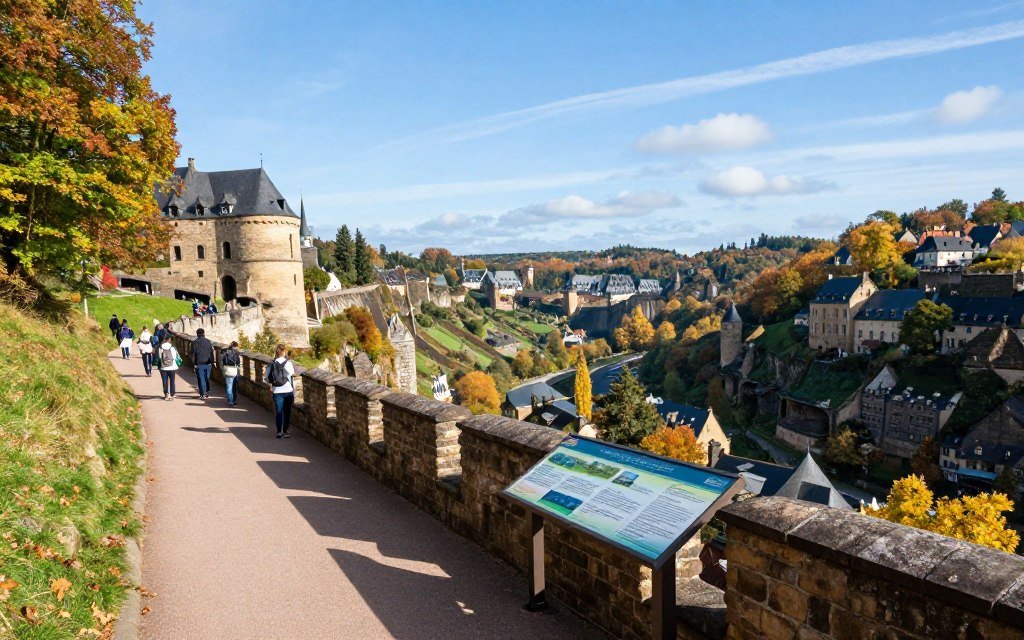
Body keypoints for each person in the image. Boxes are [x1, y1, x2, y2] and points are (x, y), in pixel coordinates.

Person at [264, 344, 295, 439]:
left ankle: (278, 432)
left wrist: (271, 386)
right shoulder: (288, 363)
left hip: (277, 390)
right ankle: (285, 431)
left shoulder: (272, 363)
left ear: (276, 352)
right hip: (288, 390)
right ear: (284, 352)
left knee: (279, 411)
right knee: (287, 411)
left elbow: (266, 377)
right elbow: (291, 373)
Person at [189, 328, 215, 400]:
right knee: (206, 378)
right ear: (204, 333)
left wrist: (194, 363)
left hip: (199, 364)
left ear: (197, 334)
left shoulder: (194, 343)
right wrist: (212, 362)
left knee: (201, 379)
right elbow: (211, 353)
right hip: (208, 363)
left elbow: (192, 355)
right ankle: (205, 392)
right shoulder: (209, 342)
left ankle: (203, 394)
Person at [157, 335, 180, 401]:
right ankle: (172, 395)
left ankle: (166, 394)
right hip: (172, 367)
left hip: (163, 367)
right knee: (172, 381)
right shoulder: (172, 347)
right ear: (169, 340)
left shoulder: (160, 347)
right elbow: (175, 357)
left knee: (164, 381)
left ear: (165, 340)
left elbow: (159, 357)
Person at [221, 341, 241, 406]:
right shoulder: (237, 353)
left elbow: (223, 362)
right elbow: (238, 363)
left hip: (228, 370)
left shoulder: (226, 352)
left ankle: (230, 401)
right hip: (235, 371)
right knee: (234, 386)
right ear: (236, 346)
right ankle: (234, 400)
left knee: (229, 387)